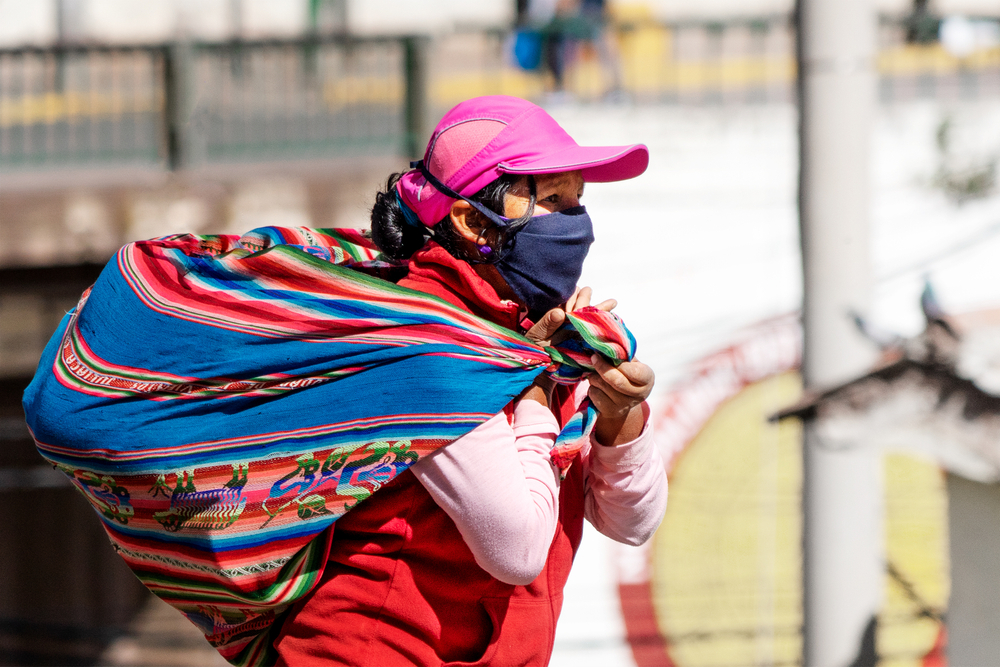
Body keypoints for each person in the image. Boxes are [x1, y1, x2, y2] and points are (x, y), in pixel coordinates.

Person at [272, 95, 668, 666]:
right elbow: (516, 550)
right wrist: (532, 393)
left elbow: (633, 522)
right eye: (553, 200)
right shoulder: (428, 342)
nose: (575, 224)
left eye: (579, 200)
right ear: (473, 220)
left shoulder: (536, 326)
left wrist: (617, 416)